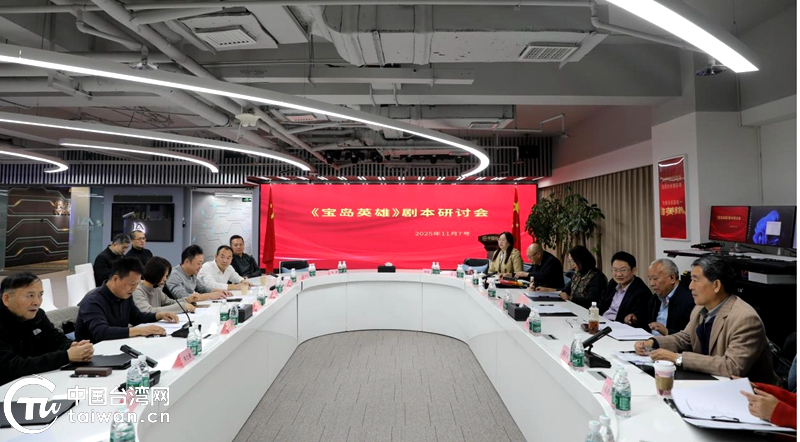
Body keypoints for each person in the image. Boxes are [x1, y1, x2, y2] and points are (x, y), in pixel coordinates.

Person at [634, 255, 778, 383]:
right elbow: (686, 338)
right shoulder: (700, 308)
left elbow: (732, 367)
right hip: (711, 383)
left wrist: (678, 358)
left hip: (750, 394)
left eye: (695, 280)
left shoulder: (745, 318)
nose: (690, 286)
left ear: (716, 285)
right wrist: (653, 342)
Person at [0, 272, 94, 386]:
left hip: (33, 381)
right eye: (30, 295)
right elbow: (10, 367)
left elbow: (56, 340)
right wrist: (66, 356)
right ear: (7, 299)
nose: (37, 302)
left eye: (40, 295)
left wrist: (75, 347)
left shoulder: (38, 316)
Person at [75, 258, 179, 343]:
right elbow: (101, 332)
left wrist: (158, 315)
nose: (134, 288)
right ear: (115, 279)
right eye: (132, 284)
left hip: (117, 345)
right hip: (93, 352)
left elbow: (136, 317)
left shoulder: (125, 295)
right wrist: (139, 330)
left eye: (137, 284)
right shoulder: (93, 301)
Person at [624, 259, 694, 336]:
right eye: (650, 279)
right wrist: (635, 321)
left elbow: (690, 336)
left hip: (670, 342)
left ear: (672, 278)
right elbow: (648, 324)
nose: (651, 284)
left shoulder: (689, 300)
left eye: (655, 279)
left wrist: (667, 332)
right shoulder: (655, 298)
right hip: (651, 340)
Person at [538, 245, 607, 309]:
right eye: (570, 261)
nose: (572, 265)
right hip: (573, 308)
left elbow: (591, 301)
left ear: (582, 260)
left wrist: (570, 298)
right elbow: (566, 290)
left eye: (573, 261)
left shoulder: (597, 277)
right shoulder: (578, 273)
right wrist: (548, 290)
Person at [597, 251, 651, 326]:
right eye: (615, 270)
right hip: (602, 322)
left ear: (634, 270)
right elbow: (602, 305)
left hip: (618, 327)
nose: (619, 274)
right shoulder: (613, 283)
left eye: (623, 270)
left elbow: (636, 320)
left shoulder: (641, 292)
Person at [165, 245, 229, 301]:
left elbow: (203, 289)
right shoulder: (174, 275)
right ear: (187, 262)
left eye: (202, 263)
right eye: (199, 263)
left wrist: (219, 291)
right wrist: (210, 295)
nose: (201, 266)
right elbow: (184, 297)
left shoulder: (192, 274)